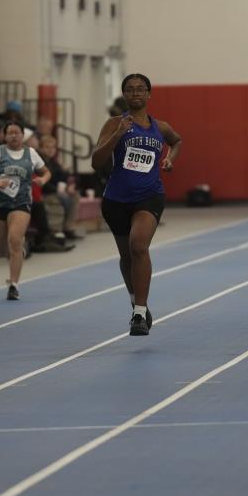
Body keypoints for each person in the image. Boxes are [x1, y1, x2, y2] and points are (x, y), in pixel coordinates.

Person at [92, 73, 182, 336]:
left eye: (140, 89)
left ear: (149, 94)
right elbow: (96, 162)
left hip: (149, 196)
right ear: (124, 94)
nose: (135, 93)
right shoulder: (113, 124)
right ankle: (135, 299)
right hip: (116, 199)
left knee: (138, 246)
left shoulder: (160, 127)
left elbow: (177, 141)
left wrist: (170, 158)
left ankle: (139, 314)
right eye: (130, 89)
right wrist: (117, 135)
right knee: (126, 256)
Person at [0, 120, 51, 300]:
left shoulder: (31, 153)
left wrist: (42, 180)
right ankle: (16, 253)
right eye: (10, 133)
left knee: (15, 241)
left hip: (21, 202)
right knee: (2, 249)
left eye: (17, 132)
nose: (14, 136)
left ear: (22, 135)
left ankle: (13, 285)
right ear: (5, 136)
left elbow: (46, 172)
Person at [39, 134, 80, 239]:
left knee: (75, 195)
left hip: (56, 190)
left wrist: (69, 185)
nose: (50, 150)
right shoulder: (40, 162)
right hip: (45, 192)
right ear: (41, 148)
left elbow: (63, 177)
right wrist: (57, 190)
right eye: (47, 147)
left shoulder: (53, 161)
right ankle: (55, 231)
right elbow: (43, 183)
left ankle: (68, 228)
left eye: (53, 147)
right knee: (61, 198)